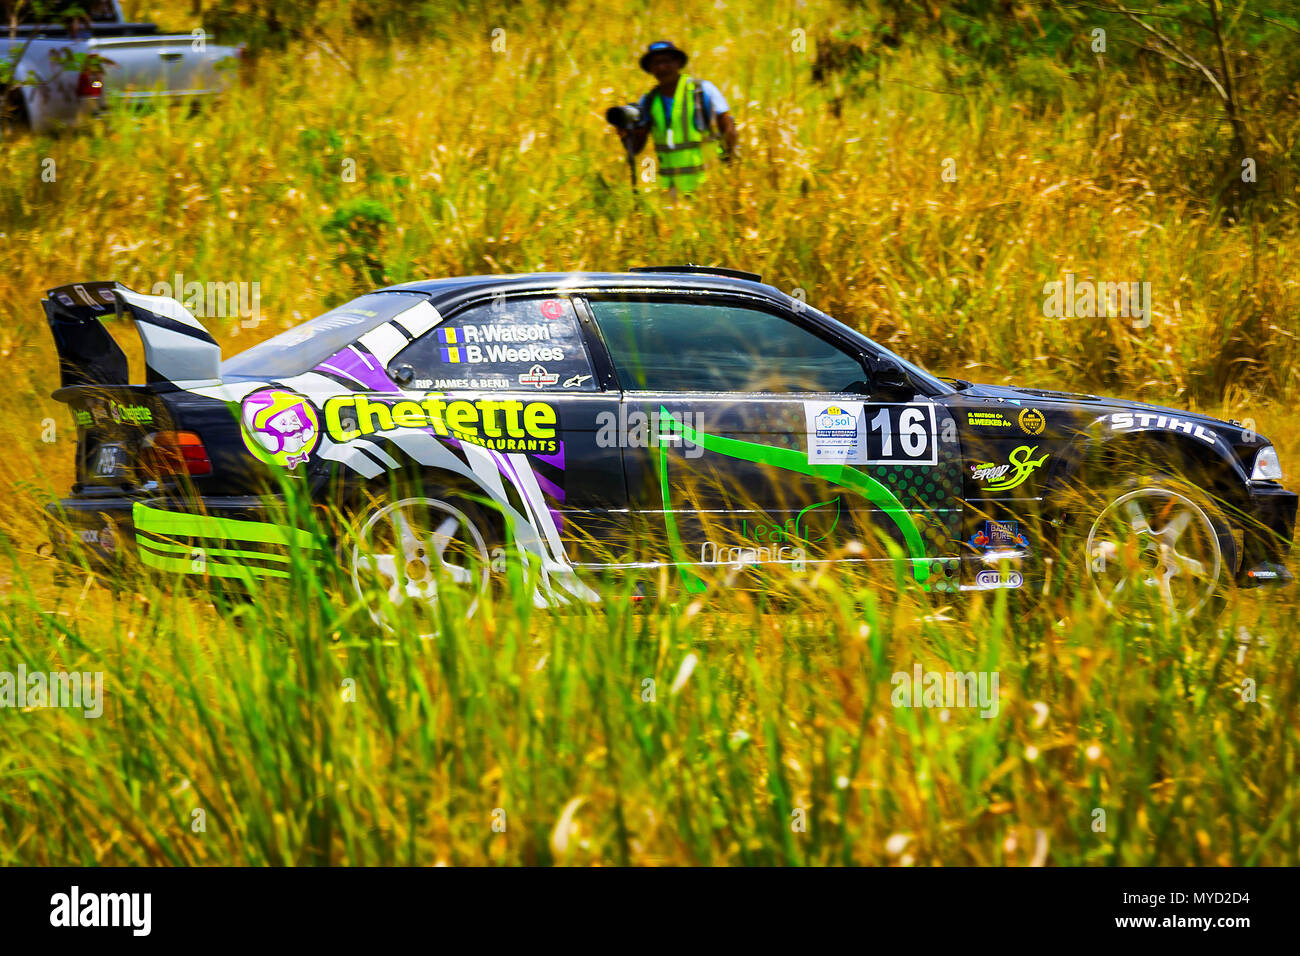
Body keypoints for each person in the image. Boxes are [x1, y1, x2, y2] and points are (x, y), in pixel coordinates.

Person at [618, 40, 737, 194]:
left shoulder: (701, 90)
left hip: (707, 187)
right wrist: (625, 133)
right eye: (655, 63)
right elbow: (636, 148)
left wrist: (728, 167)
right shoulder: (648, 100)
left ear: (678, 63)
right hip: (671, 192)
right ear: (650, 69)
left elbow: (728, 127)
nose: (661, 67)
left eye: (666, 61)